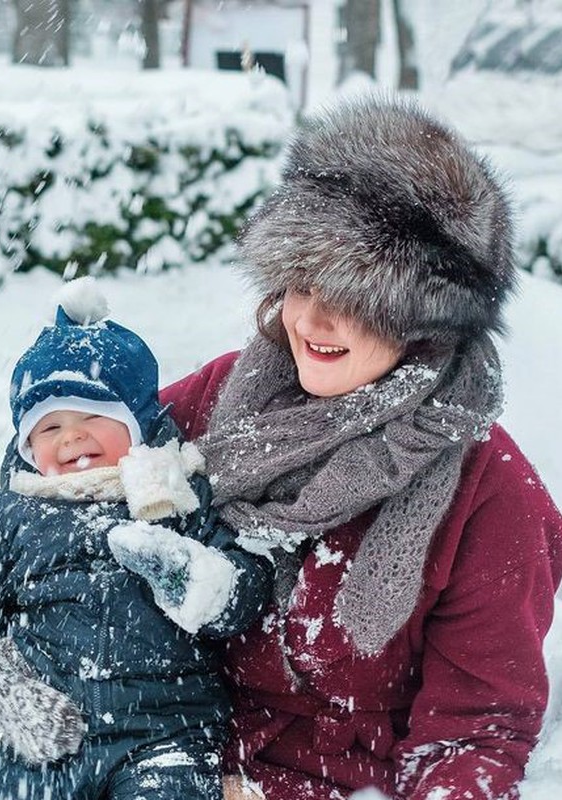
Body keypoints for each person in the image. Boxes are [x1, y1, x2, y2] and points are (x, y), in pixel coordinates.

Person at [156, 98, 562, 800]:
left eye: (353, 297)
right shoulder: (222, 397)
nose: (311, 318)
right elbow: (76, 480)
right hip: (170, 759)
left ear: (422, 321)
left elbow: (474, 730)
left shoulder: (490, 491)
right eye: (302, 282)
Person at [0, 277, 272, 800]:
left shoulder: (176, 494)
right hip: (51, 741)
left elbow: (246, 591)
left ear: (136, 424)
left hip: (170, 734)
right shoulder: (3, 517)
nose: (70, 437)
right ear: (26, 445)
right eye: (48, 429)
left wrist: (191, 576)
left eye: (93, 416)